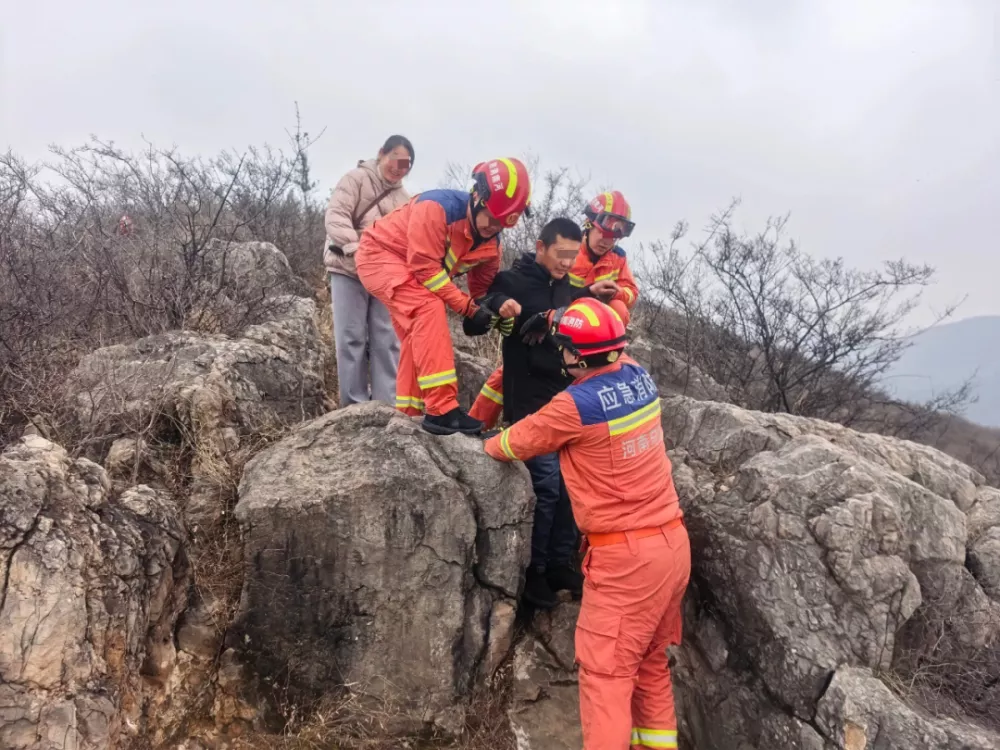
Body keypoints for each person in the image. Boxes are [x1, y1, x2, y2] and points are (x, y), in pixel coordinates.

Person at [483, 298, 690, 750]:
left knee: (606, 677)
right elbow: (604, 335)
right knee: (649, 664)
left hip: (627, 560)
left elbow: (513, 443)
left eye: (563, 346)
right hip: (672, 546)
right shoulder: (638, 375)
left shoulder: (574, 405)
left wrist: (482, 444)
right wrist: (559, 318)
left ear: (573, 355)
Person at [465, 217, 606, 608]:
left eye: (572, 255)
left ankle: (560, 562)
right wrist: (499, 307)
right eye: (560, 254)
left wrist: (594, 294)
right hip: (528, 401)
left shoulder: (568, 287)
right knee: (545, 487)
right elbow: (474, 319)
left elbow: (578, 316)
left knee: (570, 489)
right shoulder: (514, 281)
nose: (566, 262)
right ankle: (535, 573)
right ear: (540, 247)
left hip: (567, 400)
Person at [355, 157, 531, 435]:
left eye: (501, 224)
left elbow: (482, 293)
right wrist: (469, 308)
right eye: (491, 218)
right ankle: (441, 410)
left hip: (410, 271)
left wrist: (496, 313)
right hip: (379, 256)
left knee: (417, 336)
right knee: (428, 308)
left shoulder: (490, 247)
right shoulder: (436, 209)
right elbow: (426, 271)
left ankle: (408, 414)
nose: (493, 228)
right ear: (477, 197)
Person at [324, 135, 415, 407]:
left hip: (384, 278)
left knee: (387, 341)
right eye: (395, 160)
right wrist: (356, 248)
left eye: (406, 165)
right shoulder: (354, 180)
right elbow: (336, 215)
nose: (398, 169)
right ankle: (354, 405)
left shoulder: (404, 200)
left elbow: (407, 239)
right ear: (381, 154)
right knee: (350, 338)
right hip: (347, 269)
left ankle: (386, 406)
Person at [569, 190, 640, 326]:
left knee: (619, 308)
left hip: (595, 319)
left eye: (613, 238)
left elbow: (631, 291)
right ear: (588, 224)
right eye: (602, 233)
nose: (606, 242)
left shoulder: (617, 257)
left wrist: (615, 293)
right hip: (564, 308)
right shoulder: (568, 248)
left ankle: (605, 345)